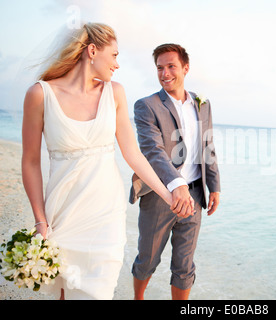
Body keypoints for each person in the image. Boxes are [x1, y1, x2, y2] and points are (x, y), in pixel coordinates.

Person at [21, 23, 188, 300]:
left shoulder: (115, 93)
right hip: (62, 212)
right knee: (67, 292)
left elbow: (133, 154)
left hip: (106, 215)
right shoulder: (40, 94)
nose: (118, 65)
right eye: (114, 56)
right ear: (92, 51)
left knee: (98, 293)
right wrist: (40, 221)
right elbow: (29, 162)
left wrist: (169, 194)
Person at [130, 43, 221, 300]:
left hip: (194, 196)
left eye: (171, 66)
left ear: (185, 68)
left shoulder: (202, 104)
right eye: (160, 68)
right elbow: (153, 151)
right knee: (148, 258)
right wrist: (176, 184)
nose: (165, 73)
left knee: (184, 264)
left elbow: (208, 145)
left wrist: (214, 186)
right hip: (159, 194)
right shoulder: (146, 106)